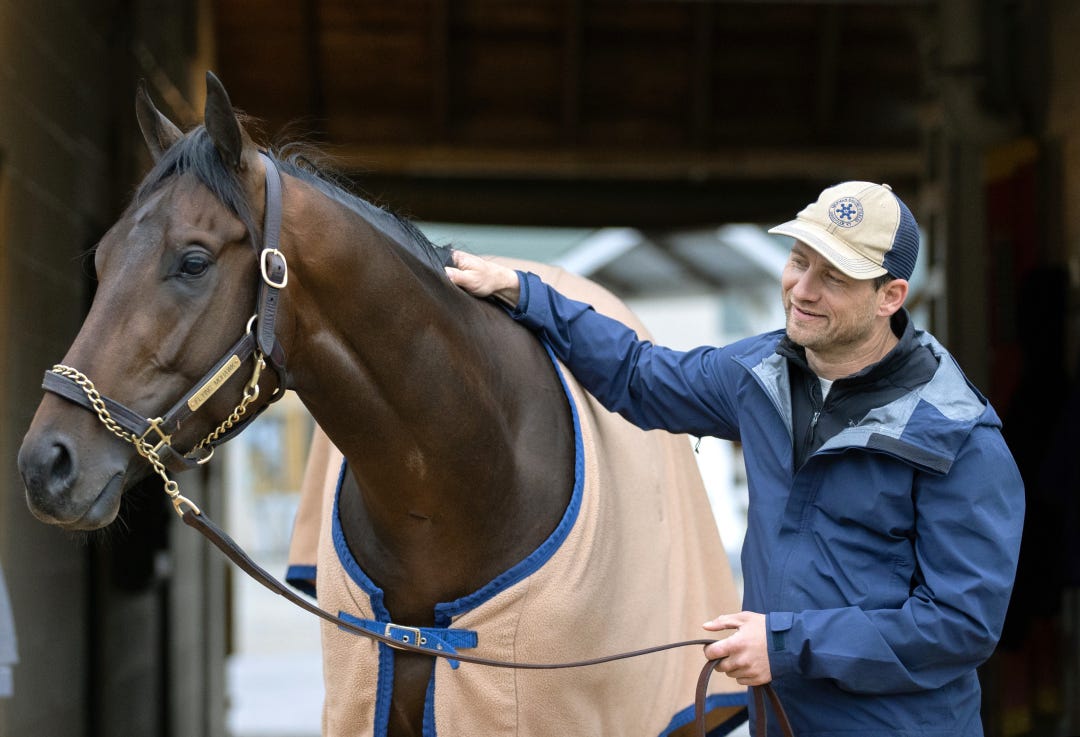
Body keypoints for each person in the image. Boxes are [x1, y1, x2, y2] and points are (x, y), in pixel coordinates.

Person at [444, 181, 1024, 736]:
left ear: (889, 297)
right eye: (799, 261)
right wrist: (524, 292)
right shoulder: (759, 373)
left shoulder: (958, 438)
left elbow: (960, 625)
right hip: (779, 719)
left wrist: (783, 645)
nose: (802, 290)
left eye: (834, 277)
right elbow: (639, 375)